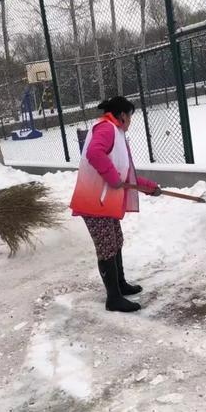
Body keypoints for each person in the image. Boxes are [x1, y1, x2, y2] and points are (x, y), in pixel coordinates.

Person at [70, 96, 161, 313]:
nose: (130, 121)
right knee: (106, 247)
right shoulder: (107, 129)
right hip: (93, 201)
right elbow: (94, 153)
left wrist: (150, 187)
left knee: (115, 241)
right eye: (130, 116)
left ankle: (120, 285)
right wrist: (112, 178)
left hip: (103, 202)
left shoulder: (116, 133)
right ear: (122, 115)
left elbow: (124, 173)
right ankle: (113, 298)